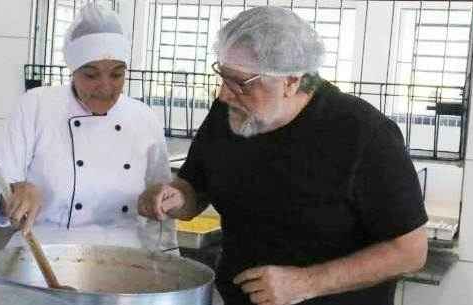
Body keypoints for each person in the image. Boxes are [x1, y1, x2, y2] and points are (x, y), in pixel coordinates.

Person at [138, 6, 428, 305]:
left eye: (240, 83)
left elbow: (410, 251)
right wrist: (174, 198)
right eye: (223, 76)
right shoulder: (230, 113)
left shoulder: (363, 134)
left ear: (291, 81)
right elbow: (195, 187)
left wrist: (306, 283)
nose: (223, 94)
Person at [0, 4, 176, 252]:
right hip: (43, 252)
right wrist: (13, 193)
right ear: (73, 70)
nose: (105, 87)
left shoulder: (144, 119)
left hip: (125, 262)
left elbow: (163, 205)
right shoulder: (37, 106)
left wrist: (167, 262)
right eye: (91, 75)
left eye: (117, 75)